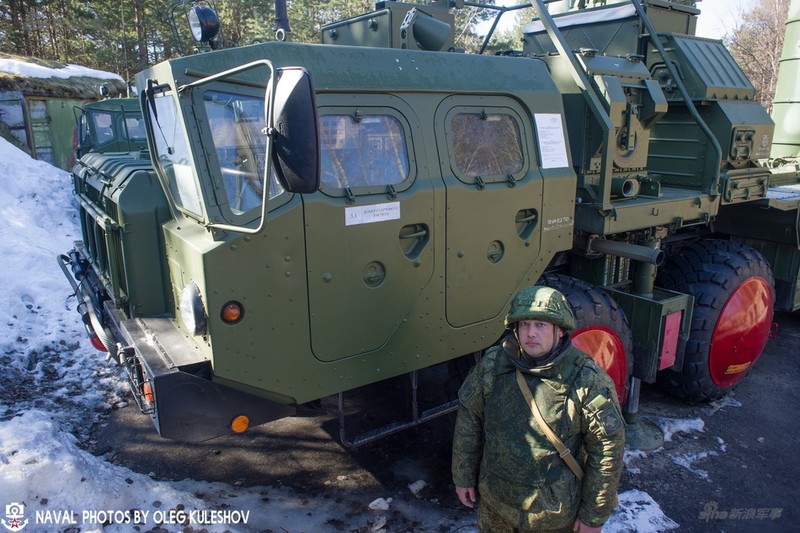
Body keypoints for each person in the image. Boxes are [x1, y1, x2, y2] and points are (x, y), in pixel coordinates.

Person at [452, 285, 625, 532]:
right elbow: (469, 418)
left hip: (552, 516)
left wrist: (592, 517)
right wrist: (463, 476)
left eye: (540, 325)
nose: (531, 333)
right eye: (524, 325)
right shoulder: (493, 366)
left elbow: (607, 450)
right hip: (496, 509)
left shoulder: (586, 380)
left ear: (560, 331)